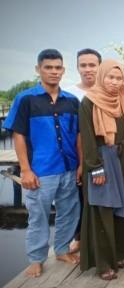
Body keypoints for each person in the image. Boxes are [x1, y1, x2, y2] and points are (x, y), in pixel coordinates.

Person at [2, 49, 81, 278]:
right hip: (41, 170)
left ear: (63, 70)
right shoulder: (26, 99)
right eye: (48, 67)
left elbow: (78, 137)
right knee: (38, 215)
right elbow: (18, 135)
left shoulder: (72, 101)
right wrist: (25, 170)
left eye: (58, 68)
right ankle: (36, 258)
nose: (54, 72)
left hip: (68, 168)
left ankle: (62, 249)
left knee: (69, 212)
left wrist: (80, 165)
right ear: (38, 69)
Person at [79, 59, 124, 280]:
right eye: (110, 77)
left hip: (122, 159)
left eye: (119, 78)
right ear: (101, 77)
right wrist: (95, 168)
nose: (115, 83)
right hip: (102, 160)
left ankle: (117, 255)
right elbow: (87, 138)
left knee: (122, 209)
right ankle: (103, 263)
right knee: (103, 210)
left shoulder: (123, 100)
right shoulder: (89, 102)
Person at [65, 48, 102, 254]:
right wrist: (81, 162)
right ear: (78, 67)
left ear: (99, 66)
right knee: (79, 197)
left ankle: (101, 237)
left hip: (104, 151)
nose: (88, 69)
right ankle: (79, 236)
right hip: (77, 152)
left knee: (103, 196)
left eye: (92, 65)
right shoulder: (70, 93)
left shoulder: (107, 91)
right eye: (83, 65)